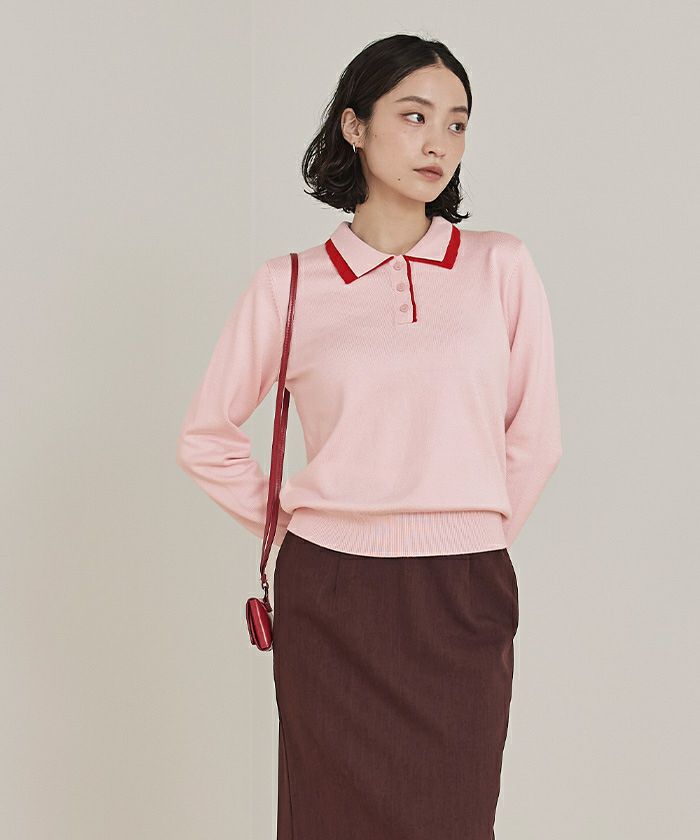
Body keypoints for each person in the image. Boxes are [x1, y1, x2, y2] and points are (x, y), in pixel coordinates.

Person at [176, 32, 562, 840]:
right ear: (354, 126)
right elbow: (206, 436)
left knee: (455, 819)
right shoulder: (290, 284)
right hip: (333, 595)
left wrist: (470, 533)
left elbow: (535, 435)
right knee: (328, 821)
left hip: (465, 589)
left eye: (457, 123)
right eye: (415, 116)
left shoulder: (500, 267)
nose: (438, 142)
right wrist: (302, 527)